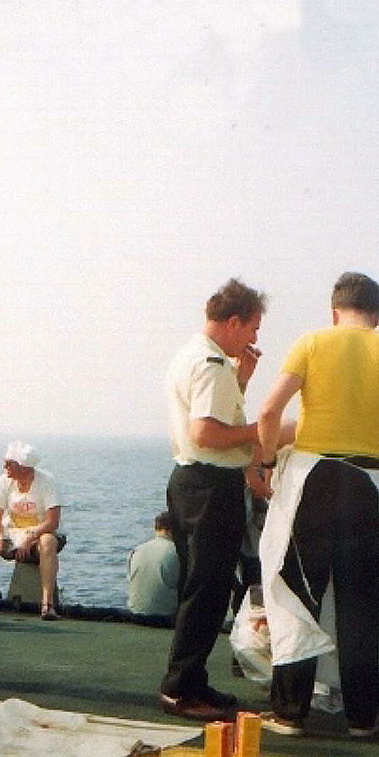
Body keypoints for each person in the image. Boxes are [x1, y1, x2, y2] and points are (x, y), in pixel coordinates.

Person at [257, 271, 379, 738]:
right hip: (370, 483)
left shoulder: (311, 344)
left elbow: (268, 412)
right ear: (378, 316)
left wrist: (265, 465)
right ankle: (363, 717)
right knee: (363, 604)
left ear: (333, 310)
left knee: (298, 595)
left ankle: (290, 712)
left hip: (311, 480)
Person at [158, 278, 269, 722]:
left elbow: (204, 424)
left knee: (199, 587)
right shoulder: (211, 363)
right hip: (210, 486)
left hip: (189, 483)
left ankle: (191, 679)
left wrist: (239, 383)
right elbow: (206, 434)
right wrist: (268, 432)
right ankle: (180, 688)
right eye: (253, 328)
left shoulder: (193, 356)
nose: (255, 338)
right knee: (207, 589)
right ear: (235, 321)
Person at [0, 441, 66, 620]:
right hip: (12, 533)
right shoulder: (4, 481)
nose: (5, 466)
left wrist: (29, 539)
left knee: (48, 542)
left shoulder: (46, 481)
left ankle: (47, 605)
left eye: (9, 463)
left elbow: (52, 521)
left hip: (39, 534)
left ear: (25, 468)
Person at [126, 512, 179, 626]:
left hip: (136, 615)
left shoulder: (136, 551)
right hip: (166, 618)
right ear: (172, 529)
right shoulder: (178, 552)